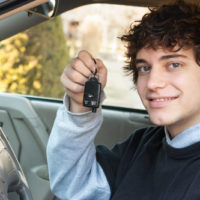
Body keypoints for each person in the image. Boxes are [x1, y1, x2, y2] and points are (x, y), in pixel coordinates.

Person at [47, 0, 200, 199]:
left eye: (174, 64)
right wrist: (80, 104)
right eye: (144, 68)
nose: (152, 83)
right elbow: (73, 185)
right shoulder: (143, 144)